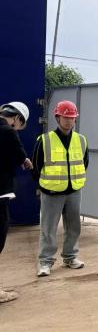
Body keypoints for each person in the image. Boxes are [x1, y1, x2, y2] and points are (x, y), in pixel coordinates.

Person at [32, 100, 89, 277]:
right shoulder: (45, 140)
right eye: (66, 117)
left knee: (73, 227)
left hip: (74, 191)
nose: (69, 121)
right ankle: (45, 262)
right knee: (48, 229)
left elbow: (84, 163)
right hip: (51, 192)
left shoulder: (81, 140)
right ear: (57, 118)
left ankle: (70, 257)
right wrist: (45, 186)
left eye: (72, 118)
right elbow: (36, 167)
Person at [0, 102, 33, 303]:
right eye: (20, 125)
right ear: (17, 119)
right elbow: (20, 155)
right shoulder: (8, 131)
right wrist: (26, 161)